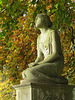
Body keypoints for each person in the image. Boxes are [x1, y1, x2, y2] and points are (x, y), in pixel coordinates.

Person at [22, 13, 68, 84]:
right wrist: (35, 63)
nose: (36, 19)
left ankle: (56, 80)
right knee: (24, 73)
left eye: (38, 18)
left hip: (55, 64)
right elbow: (39, 57)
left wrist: (39, 64)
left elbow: (56, 54)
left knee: (30, 72)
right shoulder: (39, 38)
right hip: (44, 64)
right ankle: (55, 80)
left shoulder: (52, 33)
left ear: (45, 20)